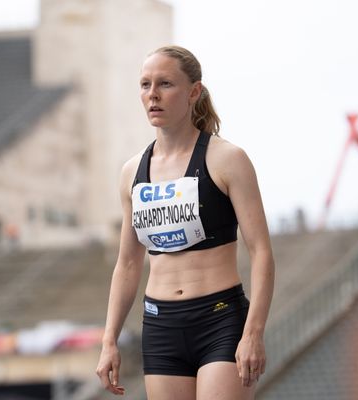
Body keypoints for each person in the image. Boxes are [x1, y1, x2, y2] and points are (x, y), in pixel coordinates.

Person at [95, 45, 275, 399]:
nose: (153, 95)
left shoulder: (227, 159)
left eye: (165, 84)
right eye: (145, 85)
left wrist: (253, 332)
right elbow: (128, 263)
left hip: (220, 320)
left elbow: (262, 253)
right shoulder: (132, 171)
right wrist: (108, 340)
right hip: (161, 325)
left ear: (194, 92)